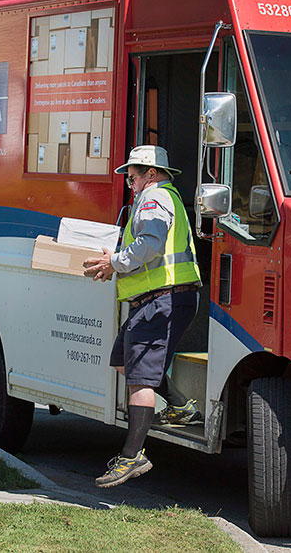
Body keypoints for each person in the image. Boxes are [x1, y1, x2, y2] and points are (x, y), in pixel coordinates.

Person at [83, 145, 203, 488]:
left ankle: (132, 456)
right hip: (162, 299)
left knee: (141, 381)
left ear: (151, 174)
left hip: (162, 299)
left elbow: (150, 244)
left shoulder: (154, 198)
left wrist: (114, 262)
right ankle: (182, 407)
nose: (129, 184)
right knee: (124, 361)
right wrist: (117, 259)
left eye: (132, 177)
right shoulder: (164, 198)